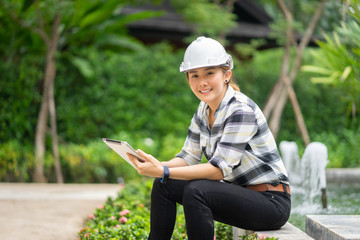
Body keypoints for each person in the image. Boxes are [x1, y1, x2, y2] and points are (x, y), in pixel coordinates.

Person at [128, 36, 291, 240]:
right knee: (163, 183)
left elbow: (216, 172)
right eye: (194, 75)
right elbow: (188, 158)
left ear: (226, 75)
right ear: (187, 79)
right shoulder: (204, 110)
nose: (202, 82)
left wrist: (163, 170)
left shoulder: (241, 110)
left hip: (271, 202)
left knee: (197, 189)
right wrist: (157, 165)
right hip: (238, 195)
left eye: (210, 73)